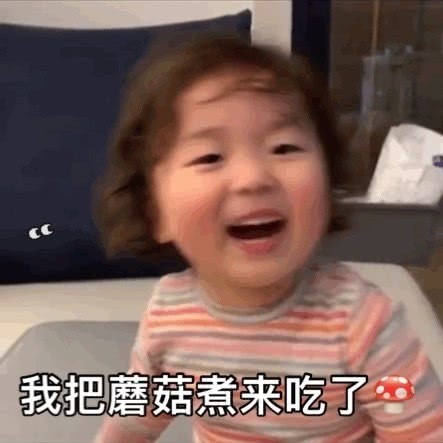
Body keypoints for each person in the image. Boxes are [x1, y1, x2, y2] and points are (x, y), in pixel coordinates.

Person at [93, 34, 443, 442]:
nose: (253, 177)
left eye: (284, 147)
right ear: (155, 212)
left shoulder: (364, 323)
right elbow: (136, 417)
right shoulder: (169, 315)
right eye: (209, 157)